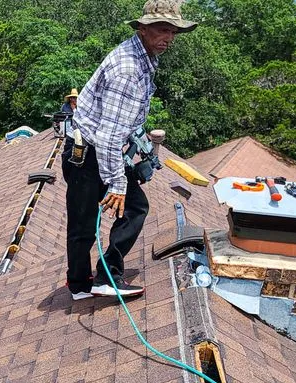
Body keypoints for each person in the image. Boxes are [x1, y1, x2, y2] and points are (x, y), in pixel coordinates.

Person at [62, 0, 196, 301]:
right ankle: (83, 285)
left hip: (99, 150)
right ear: (144, 28)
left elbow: (122, 125)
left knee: (133, 208)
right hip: (87, 154)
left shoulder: (144, 57)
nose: (169, 38)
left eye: (173, 32)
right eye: (163, 30)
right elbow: (109, 136)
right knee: (89, 221)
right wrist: (117, 183)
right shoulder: (128, 70)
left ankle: (105, 274)